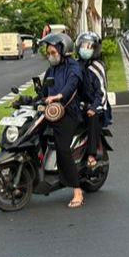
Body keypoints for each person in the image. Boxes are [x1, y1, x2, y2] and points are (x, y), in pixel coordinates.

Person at [40, 32, 87, 208]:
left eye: (53, 52)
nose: (50, 56)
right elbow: (43, 91)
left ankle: (77, 190)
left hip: (69, 112)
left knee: (63, 148)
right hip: (51, 111)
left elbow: (71, 85)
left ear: (63, 50)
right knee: (34, 134)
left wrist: (59, 96)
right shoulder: (51, 69)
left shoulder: (73, 67)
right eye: (48, 53)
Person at [76, 31, 110, 168]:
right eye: (84, 46)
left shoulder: (98, 67)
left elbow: (102, 93)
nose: (86, 49)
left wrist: (94, 107)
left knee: (92, 117)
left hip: (95, 105)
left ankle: (91, 154)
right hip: (79, 105)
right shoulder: (76, 65)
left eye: (89, 47)